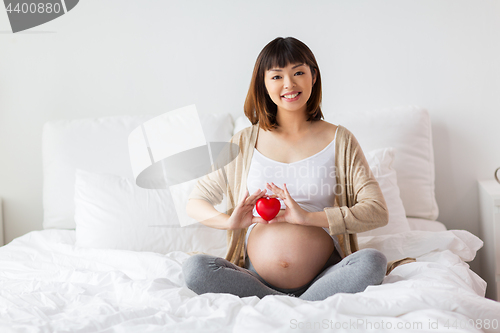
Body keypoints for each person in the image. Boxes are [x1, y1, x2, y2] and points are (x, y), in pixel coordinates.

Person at [182, 37, 389, 301]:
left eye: (299, 72)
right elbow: (195, 203)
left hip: (325, 274)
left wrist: (307, 218)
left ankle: (280, 304)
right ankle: (297, 303)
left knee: (372, 261)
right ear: (263, 84)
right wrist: (229, 221)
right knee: (196, 270)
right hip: (254, 277)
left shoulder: (340, 139)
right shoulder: (244, 142)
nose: (289, 84)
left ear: (313, 76)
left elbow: (377, 211)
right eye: (277, 76)